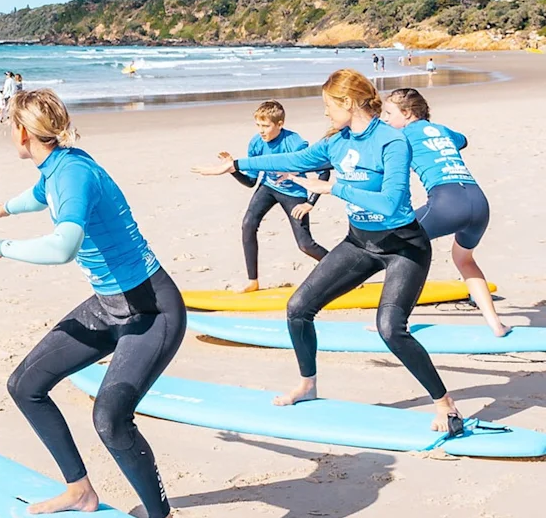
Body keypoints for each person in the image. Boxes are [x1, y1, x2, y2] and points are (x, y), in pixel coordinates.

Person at [0, 89, 184, 518]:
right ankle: (79, 490)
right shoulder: (59, 165)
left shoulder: (74, 174)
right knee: (26, 384)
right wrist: (4, 207)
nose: (10, 133)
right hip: (109, 305)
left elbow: (63, 247)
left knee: (110, 418)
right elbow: (39, 193)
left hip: (151, 308)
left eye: (10, 125)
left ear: (23, 132)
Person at [194, 70, 462, 431]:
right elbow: (294, 160)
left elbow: (391, 202)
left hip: (403, 246)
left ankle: (445, 403)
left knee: (390, 328)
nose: (325, 113)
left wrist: (332, 189)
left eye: (328, 106)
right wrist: (237, 165)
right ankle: (308, 384)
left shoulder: (392, 142)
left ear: (348, 103)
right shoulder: (338, 140)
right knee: (298, 308)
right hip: (360, 243)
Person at [382, 88, 508, 335]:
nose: (385, 119)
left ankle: (391, 321)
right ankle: (496, 324)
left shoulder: (402, 137)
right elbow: (462, 140)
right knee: (464, 259)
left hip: (446, 204)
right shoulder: (441, 129)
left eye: (388, 113)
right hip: (478, 202)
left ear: (406, 113)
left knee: (394, 245)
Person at [228, 100, 330, 293]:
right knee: (248, 224)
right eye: (258, 125)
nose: (261, 130)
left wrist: (310, 203)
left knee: (305, 245)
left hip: (293, 193)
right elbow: (251, 182)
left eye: (266, 126)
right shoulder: (256, 142)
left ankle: (344, 271)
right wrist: (233, 169)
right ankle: (253, 281)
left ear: (280, 124)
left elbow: (324, 171)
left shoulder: (295, 143)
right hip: (268, 187)